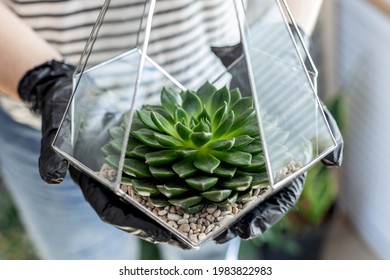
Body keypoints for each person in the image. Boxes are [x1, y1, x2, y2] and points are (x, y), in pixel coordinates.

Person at [0, 0, 341, 260]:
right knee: (84, 259)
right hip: (55, 117)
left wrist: (282, 43)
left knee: (207, 258)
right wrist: (44, 83)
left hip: (220, 78)